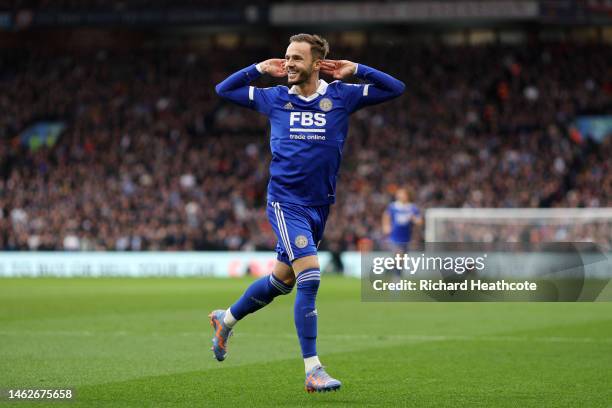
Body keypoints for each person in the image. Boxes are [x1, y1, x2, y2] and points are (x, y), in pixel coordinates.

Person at [209, 33, 405, 393]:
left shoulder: (340, 96)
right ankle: (313, 369)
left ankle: (227, 319)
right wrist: (258, 68)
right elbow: (224, 89)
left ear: (317, 64)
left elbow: (396, 88)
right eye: (286, 57)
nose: (288, 64)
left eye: (296, 58)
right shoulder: (275, 98)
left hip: (319, 206)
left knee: (280, 282)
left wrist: (357, 70)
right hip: (285, 203)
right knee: (310, 277)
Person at [382, 187, 422, 257]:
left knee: (402, 258)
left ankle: (393, 267)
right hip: (394, 237)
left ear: (407, 195)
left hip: (407, 238)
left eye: (402, 194)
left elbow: (420, 221)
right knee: (398, 255)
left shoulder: (412, 207)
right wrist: (386, 226)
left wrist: (413, 218)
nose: (400, 196)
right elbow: (386, 216)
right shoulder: (393, 206)